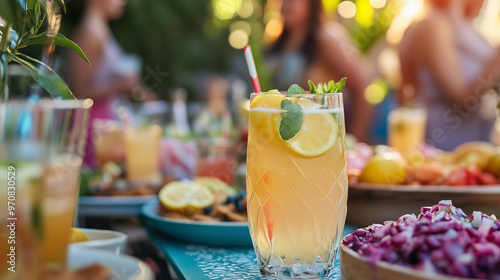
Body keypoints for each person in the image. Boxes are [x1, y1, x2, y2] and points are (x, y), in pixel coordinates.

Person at [399, 0, 500, 151]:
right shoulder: (434, 25)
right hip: (443, 149)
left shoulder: (460, 30)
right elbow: (462, 98)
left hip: (469, 147)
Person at [266, 0, 372, 142]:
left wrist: (355, 141)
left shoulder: (326, 39)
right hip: (292, 137)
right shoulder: (278, 43)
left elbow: (361, 86)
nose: (286, 4)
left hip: (323, 136)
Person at [66, 0, 142, 168]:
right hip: (92, 132)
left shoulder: (99, 29)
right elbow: (76, 91)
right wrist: (120, 85)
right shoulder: (90, 33)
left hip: (103, 129)